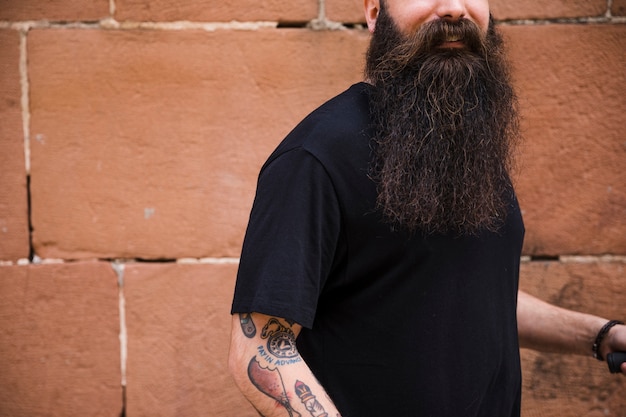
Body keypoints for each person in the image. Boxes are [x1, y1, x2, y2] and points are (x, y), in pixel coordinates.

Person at [228, 0, 626, 415]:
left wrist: (601, 335)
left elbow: (475, 293)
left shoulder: (463, 146)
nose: (455, 8)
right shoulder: (316, 157)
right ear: (374, 12)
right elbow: (257, 349)